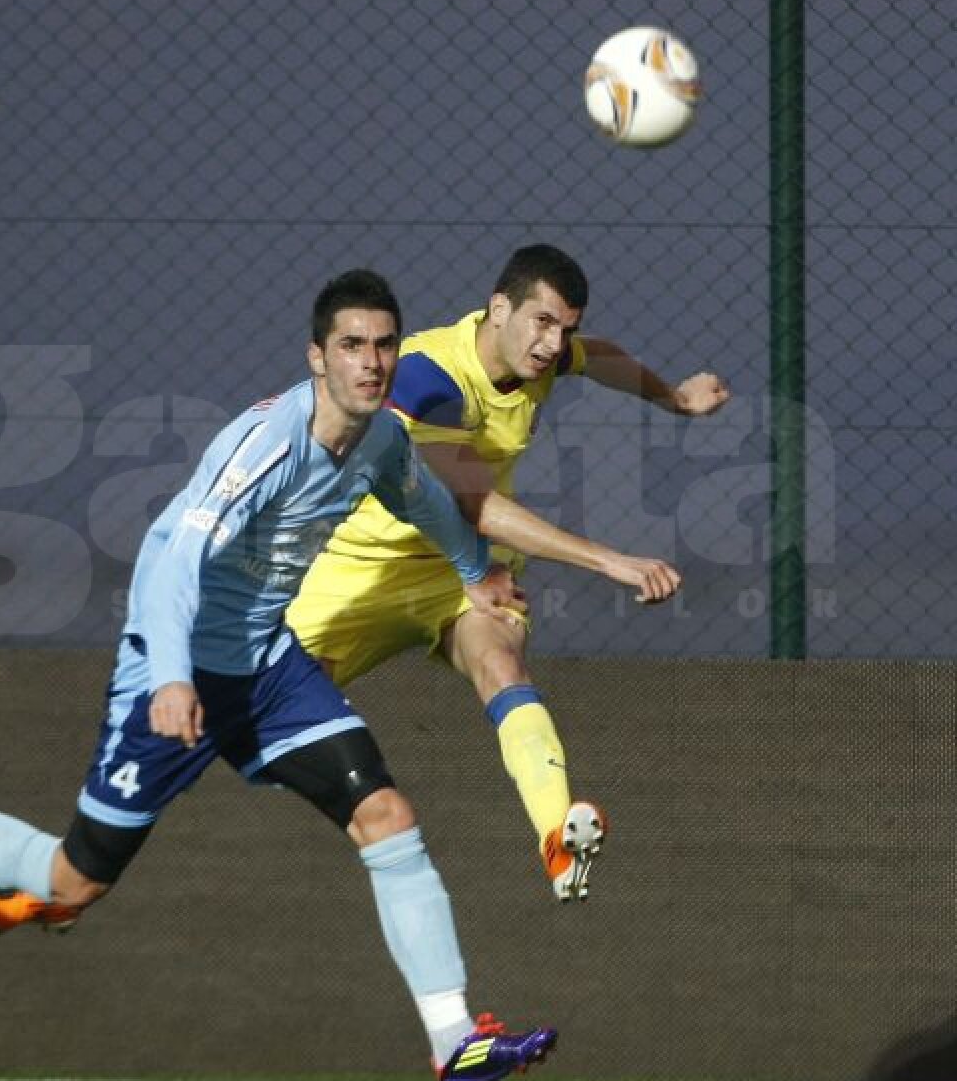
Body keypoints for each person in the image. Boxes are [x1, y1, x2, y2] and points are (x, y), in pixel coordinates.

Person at [0, 269, 556, 1081]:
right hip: (176, 668)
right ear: (317, 358)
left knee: (385, 814)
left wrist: (476, 573)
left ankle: (454, 1043)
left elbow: (427, 506)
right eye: (351, 346)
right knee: (72, 878)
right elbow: (172, 565)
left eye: (382, 345)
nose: (370, 362)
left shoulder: (381, 443)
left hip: (267, 668)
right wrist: (168, 677)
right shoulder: (264, 445)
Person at [286, 244, 730, 901]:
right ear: (499, 308)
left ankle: (557, 838)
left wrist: (674, 399)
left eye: (565, 328)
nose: (554, 344)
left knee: (502, 665)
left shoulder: (540, 358)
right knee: (260, 702)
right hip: (365, 569)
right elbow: (475, 502)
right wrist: (610, 559)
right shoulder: (427, 376)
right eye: (543, 323)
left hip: (468, 574)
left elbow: (600, 357)